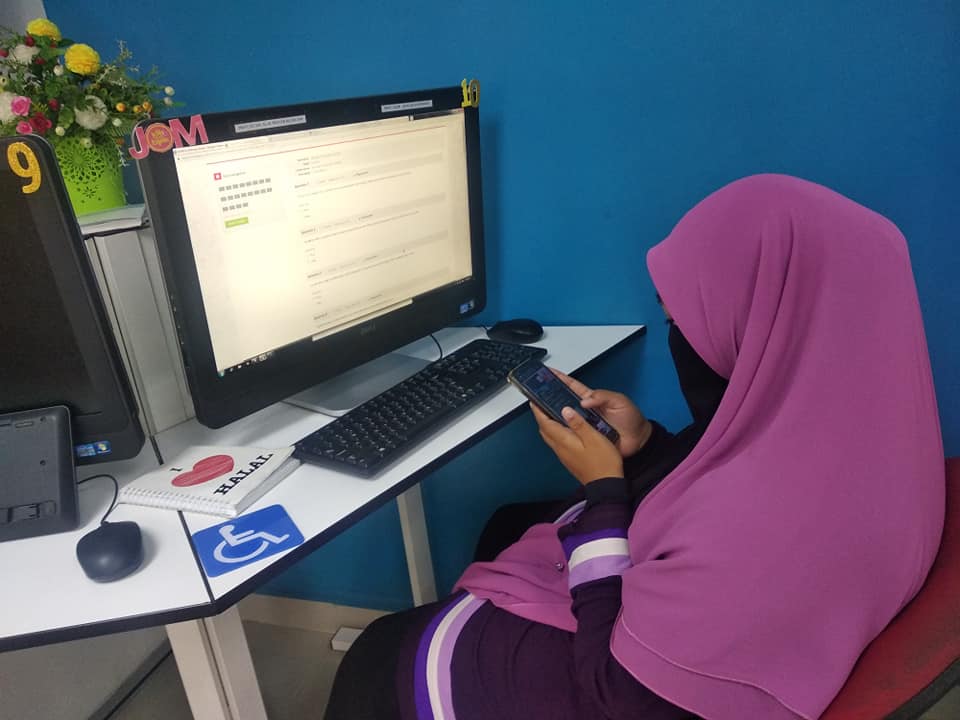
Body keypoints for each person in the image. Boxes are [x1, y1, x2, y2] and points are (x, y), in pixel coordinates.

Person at [323, 174, 944, 720]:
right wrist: (644, 447)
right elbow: (723, 482)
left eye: (681, 323)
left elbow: (619, 696)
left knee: (377, 653)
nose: (679, 338)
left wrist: (605, 492)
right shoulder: (868, 436)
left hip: (610, 684)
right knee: (506, 526)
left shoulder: (771, 528)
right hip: (676, 640)